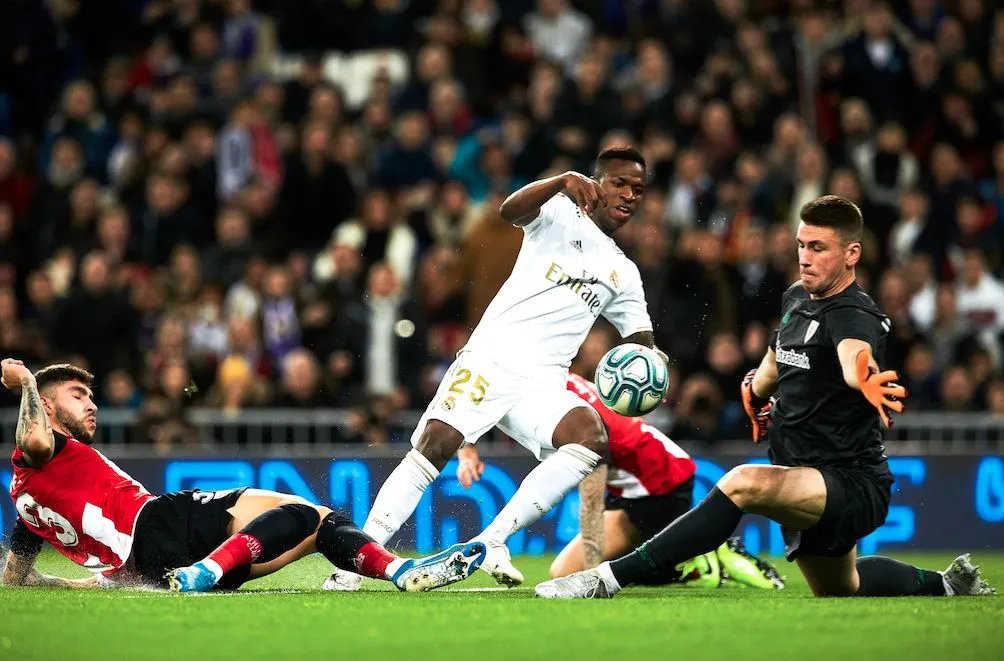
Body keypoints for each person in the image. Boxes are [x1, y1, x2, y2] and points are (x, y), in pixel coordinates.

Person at [536, 195, 996, 599]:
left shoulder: (855, 314)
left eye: (818, 248)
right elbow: (779, 357)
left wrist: (864, 377)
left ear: (851, 253)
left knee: (743, 482)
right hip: (803, 473)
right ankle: (947, 584)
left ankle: (608, 579)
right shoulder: (798, 297)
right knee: (841, 586)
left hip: (850, 481)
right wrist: (755, 393)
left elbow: (855, 358)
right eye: (801, 245)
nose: (805, 257)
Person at [355, 147, 667, 587]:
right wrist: (560, 180)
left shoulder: (623, 271)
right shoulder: (558, 213)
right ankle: (359, 559)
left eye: (639, 189)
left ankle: (493, 540)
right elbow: (509, 210)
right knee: (436, 443)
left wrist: (653, 363)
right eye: (620, 183)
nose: (631, 195)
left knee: (590, 436)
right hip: (493, 358)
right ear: (597, 182)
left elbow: (640, 339)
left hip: (544, 382)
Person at [2, 360, 486, 593]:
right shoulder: (46, 448)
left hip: (140, 573)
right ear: (45, 407)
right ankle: (206, 571)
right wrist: (26, 381)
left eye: (91, 395)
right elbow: (36, 441)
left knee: (319, 526)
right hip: (157, 521)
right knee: (300, 511)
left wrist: (70, 585)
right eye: (76, 394)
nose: (91, 403)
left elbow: (18, 579)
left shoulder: (27, 498)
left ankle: (403, 572)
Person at [458, 372, 785, 590]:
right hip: (637, 475)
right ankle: (690, 560)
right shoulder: (554, 377)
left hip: (660, 487)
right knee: (583, 567)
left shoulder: (585, 429)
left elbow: (591, 495)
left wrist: (590, 565)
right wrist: (468, 447)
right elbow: (479, 399)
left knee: (570, 574)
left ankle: (705, 559)